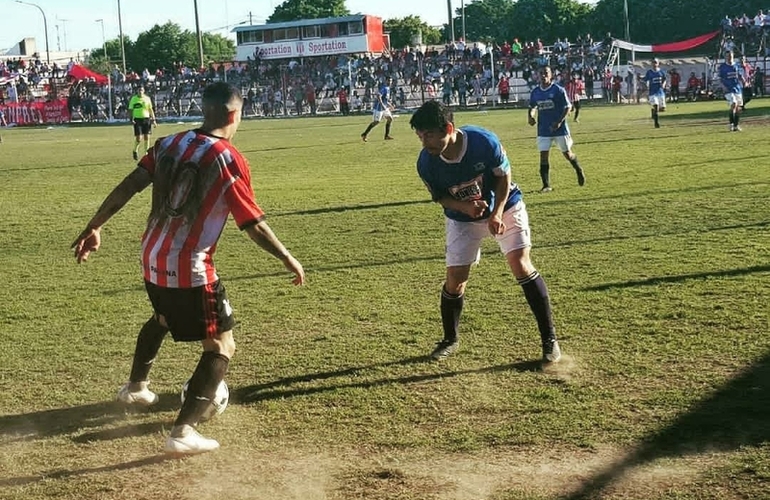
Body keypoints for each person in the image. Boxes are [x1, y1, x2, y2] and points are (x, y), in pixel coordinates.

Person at [71, 82, 306, 455]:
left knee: (164, 317)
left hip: (151, 256)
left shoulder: (167, 144)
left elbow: (130, 185)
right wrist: (286, 257)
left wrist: (95, 225)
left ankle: (135, 389)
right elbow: (252, 223)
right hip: (191, 266)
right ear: (234, 115)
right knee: (221, 344)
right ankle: (183, 431)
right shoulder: (228, 158)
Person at [409, 100, 562, 364]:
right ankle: (450, 339)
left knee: (520, 263)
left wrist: (498, 212)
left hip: (506, 205)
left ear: (448, 128)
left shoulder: (483, 142)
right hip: (462, 218)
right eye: (420, 136)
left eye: (430, 136)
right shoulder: (426, 163)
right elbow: (440, 198)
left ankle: (549, 340)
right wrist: (464, 207)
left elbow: (504, 176)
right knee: (455, 280)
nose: (425, 143)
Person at [528, 66, 586, 193]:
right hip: (543, 129)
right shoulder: (535, 92)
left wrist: (559, 122)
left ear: (551, 75)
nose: (544, 76)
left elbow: (568, 107)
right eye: (541, 73)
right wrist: (531, 117)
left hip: (560, 129)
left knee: (567, 153)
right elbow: (532, 107)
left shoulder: (558, 90)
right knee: (543, 156)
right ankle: (546, 185)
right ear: (538, 75)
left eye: (546, 73)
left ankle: (578, 169)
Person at [718, 51, 746, 132]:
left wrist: (744, 81)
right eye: (727, 56)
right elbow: (720, 79)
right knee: (734, 104)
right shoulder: (722, 67)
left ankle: (736, 125)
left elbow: (740, 75)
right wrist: (723, 87)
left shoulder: (736, 65)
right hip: (728, 89)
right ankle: (731, 124)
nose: (729, 57)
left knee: (738, 108)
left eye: (730, 56)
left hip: (737, 89)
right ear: (725, 57)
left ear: (733, 56)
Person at [361, 76, 395, 141]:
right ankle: (364, 134)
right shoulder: (384, 88)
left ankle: (386, 136)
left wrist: (390, 105)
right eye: (389, 81)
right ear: (386, 81)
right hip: (379, 107)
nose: (390, 82)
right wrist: (382, 104)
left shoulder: (388, 89)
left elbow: (386, 100)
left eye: (391, 81)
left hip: (384, 107)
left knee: (390, 119)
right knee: (376, 122)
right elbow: (378, 95)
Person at [128, 86, 157, 160]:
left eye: (141, 90)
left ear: (143, 91)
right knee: (139, 138)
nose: (140, 91)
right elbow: (131, 109)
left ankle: (146, 154)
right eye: (139, 90)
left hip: (146, 119)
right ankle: (135, 150)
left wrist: (153, 119)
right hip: (137, 120)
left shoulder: (147, 99)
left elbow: (150, 109)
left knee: (147, 136)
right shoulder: (134, 99)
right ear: (137, 91)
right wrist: (131, 118)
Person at [643, 58, 667, 128]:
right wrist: (640, 78)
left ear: (658, 63)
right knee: (656, 105)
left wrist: (664, 84)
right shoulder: (649, 72)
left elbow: (665, 79)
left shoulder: (661, 72)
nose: (654, 64)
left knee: (662, 109)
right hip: (652, 92)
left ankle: (653, 111)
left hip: (660, 92)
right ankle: (656, 123)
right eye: (653, 62)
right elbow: (645, 79)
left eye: (655, 62)